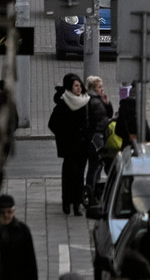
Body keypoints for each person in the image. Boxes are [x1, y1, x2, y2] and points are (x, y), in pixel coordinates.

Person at [48, 73, 92, 215]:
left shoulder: (85, 101)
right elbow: (53, 124)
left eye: (80, 85)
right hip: (70, 147)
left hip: (83, 145)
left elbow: (91, 121)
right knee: (69, 175)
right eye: (75, 86)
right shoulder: (63, 103)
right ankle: (67, 203)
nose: (78, 89)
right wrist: (65, 136)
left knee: (80, 176)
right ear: (69, 87)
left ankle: (77, 205)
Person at [0, 194, 38, 280]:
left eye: (9, 212)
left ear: (13, 211)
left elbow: (30, 261)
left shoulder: (22, 230)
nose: (6, 216)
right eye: (2, 213)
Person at [84, 75, 114, 206]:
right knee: (96, 163)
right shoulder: (92, 101)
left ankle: (93, 188)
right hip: (96, 135)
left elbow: (108, 114)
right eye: (99, 87)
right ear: (92, 88)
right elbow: (101, 118)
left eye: (101, 86)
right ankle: (92, 189)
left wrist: (107, 103)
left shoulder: (98, 99)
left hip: (100, 134)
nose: (102, 89)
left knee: (98, 164)